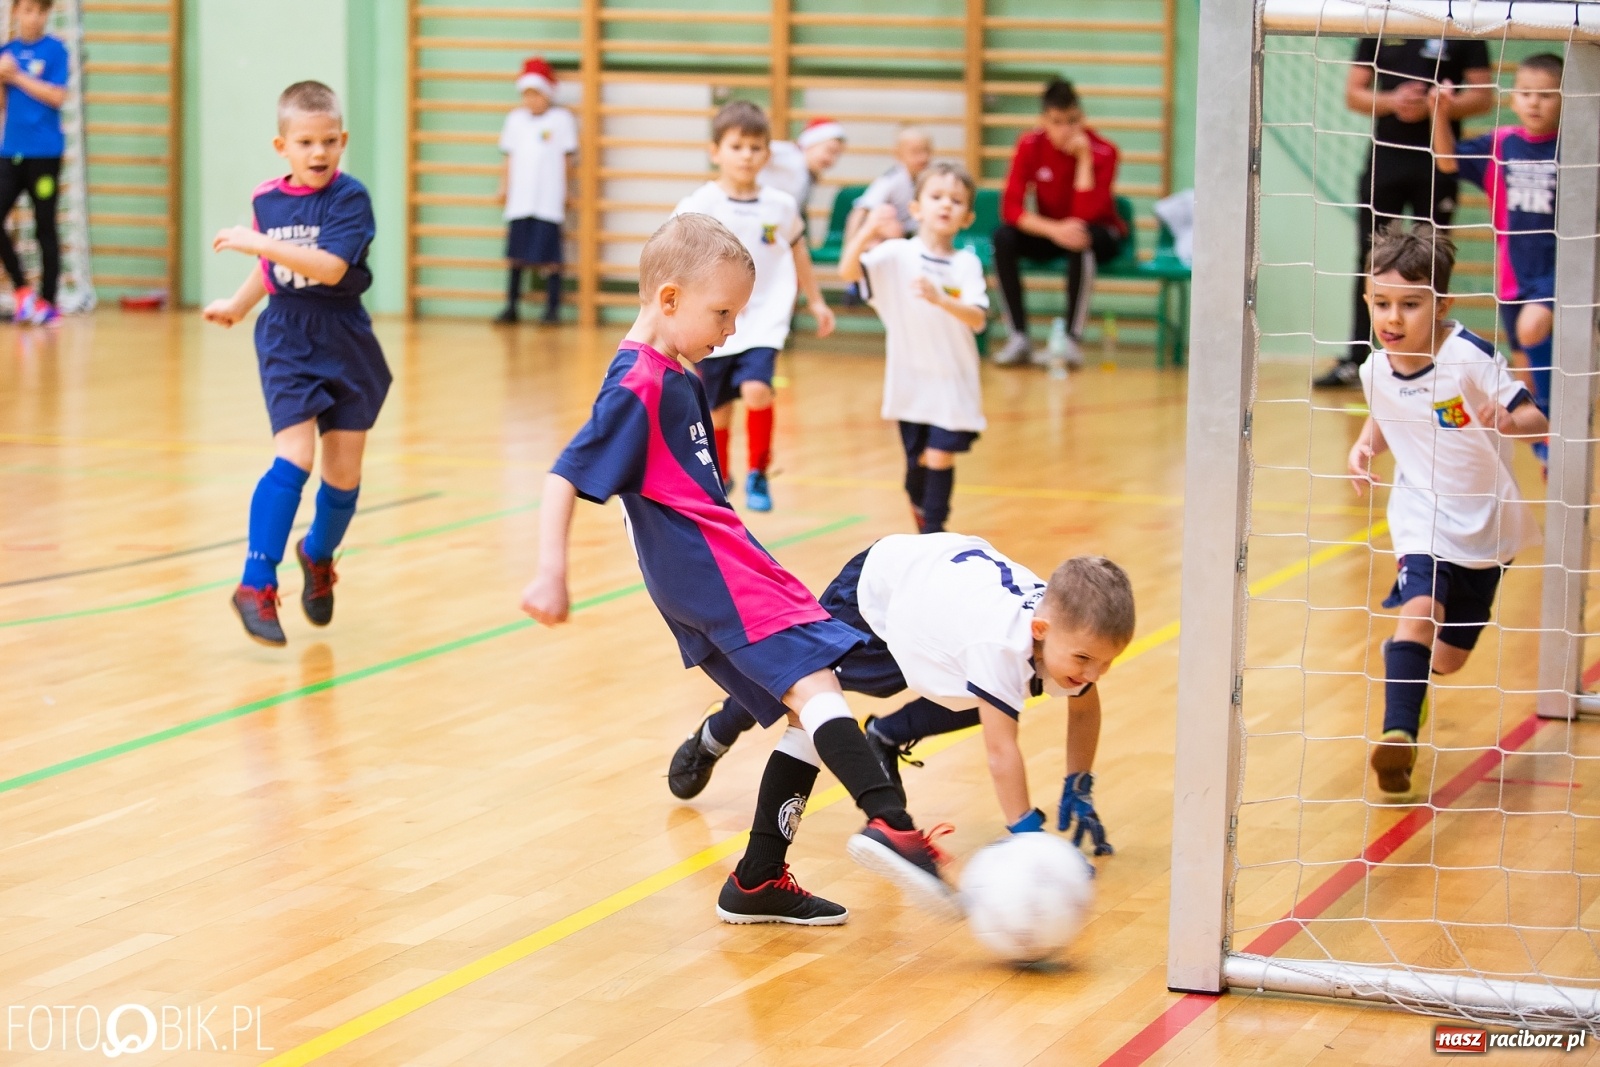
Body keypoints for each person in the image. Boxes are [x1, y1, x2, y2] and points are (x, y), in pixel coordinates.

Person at [521, 212, 956, 926]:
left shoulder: (679, 376)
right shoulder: (638, 384)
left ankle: (757, 877)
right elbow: (564, 475)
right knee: (817, 684)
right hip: (713, 571)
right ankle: (888, 820)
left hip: (727, 562)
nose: (731, 329)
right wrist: (550, 570)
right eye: (721, 312)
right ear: (668, 300)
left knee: (804, 703)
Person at [667, 535, 1132, 859]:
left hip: (934, 606)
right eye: (1086, 660)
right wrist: (1026, 834)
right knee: (800, 683)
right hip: (880, 589)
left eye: (1106, 664)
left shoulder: (1062, 643)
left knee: (1006, 693)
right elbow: (1000, 751)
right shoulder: (1001, 644)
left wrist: (1079, 782)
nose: (1093, 674)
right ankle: (718, 729)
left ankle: (886, 738)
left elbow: (1085, 705)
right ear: (1040, 630)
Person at [1346, 222, 1545, 798]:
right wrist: (1364, 446)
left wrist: (1510, 419)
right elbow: (1384, 410)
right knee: (1420, 608)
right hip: (1419, 513)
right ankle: (1398, 735)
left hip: (1486, 523)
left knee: (1450, 660)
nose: (1393, 317)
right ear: (1367, 299)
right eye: (1381, 303)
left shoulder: (1470, 358)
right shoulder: (1373, 367)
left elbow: (1536, 415)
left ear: (1441, 304)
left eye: (1410, 304)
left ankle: (1410, 671)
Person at [203, 82, 390, 647]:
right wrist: (238, 306)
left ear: (343, 141)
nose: (318, 153)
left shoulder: (349, 198)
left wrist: (255, 243)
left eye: (329, 141)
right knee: (295, 456)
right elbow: (275, 269)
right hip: (287, 335)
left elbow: (329, 267)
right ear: (281, 145)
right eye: (306, 142)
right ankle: (255, 582)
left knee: (344, 473)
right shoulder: (269, 199)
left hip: (345, 335)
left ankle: (318, 554)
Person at [673, 101, 835, 514]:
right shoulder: (701, 204)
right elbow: (673, 255)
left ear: (768, 154)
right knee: (717, 408)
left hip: (764, 317)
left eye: (755, 147)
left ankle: (758, 472)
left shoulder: (780, 206)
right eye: (737, 146)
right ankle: (720, 479)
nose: (746, 155)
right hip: (714, 320)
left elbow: (799, 253)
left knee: (758, 389)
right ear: (715, 152)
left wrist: (815, 301)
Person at [1314, 36, 1493, 389]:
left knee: (1435, 257)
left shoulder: (1464, 23)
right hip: (1386, 159)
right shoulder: (1381, 21)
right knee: (1371, 257)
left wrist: (1436, 107)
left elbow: (1483, 96)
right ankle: (1358, 358)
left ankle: (1432, 355)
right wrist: (1394, 101)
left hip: (1438, 158)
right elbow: (1355, 94)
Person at [839, 161, 986, 534]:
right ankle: (926, 524)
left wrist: (941, 300)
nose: (945, 205)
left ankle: (935, 534)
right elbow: (848, 271)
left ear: (966, 216)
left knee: (940, 454)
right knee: (917, 467)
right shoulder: (898, 255)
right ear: (916, 208)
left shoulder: (966, 263)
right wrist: (869, 229)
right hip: (910, 380)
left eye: (956, 200)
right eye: (936, 196)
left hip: (953, 379)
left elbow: (978, 318)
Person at [1432, 53, 1562, 471]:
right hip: (1513, 276)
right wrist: (1441, 111)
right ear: (1513, 98)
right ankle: (1550, 439)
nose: (1535, 103)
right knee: (1527, 365)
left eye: (1545, 95)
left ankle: (1553, 430)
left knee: (1533, 327)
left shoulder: (1575, 146)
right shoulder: (1501, 144)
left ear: (1564, 99)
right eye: (1526, 93)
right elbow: (1447, 161)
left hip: (1561, 271)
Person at [991, 77, 1125, 369]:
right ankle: (1018, 337)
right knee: (1003, 237)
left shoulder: (1105, 151)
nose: (1066, 130)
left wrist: (1085, 159)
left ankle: (1071, 342)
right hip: (1055, 231)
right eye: (1057, 122)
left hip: (1100, 233)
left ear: (1082, 117)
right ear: (1043, 121)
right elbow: (1010, 209)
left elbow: (1085, 215)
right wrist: (1054, 230)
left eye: (1072, 121)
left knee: (1081, 237)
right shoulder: (1029, 145)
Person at [0, 0, 68, 327]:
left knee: (45, 227)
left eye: (40, 11)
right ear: (16, 13)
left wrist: (17, 76)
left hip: (45, 155)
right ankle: (23, 291)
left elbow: (57, 96)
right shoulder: (7, 52)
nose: (33, 17)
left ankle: (49, 302)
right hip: (11, 153)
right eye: (27, 10)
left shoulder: (55, 50)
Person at [495, 57, 577, 325]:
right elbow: (508, 158)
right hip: (521, 198)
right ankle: (511, 306)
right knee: (516, 255)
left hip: (548, 198)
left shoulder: (561, 119)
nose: (531, 100)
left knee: (551, 257)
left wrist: (567, 191)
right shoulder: (515, 120)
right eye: (527, 94)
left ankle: (552, 309)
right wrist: (503, 188)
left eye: (536, 94)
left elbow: (567, 160)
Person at [844, 126, 934, 246]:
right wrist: (850, 248)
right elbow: (859, 212)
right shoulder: (890, 180)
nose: (923, 157)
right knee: (892, 227)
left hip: (909, 237)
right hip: (881, 239)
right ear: (899, 154)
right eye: (915, 152)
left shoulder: (929, 179)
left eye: (927, 151)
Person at [759, 117, 846, 223]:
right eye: (830, 151)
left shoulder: (808, 173)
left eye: (837, 155)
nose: (831, 159)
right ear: (810, 143)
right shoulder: (790, 156)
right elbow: (762, 149)